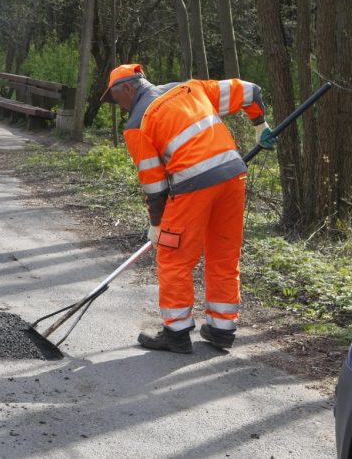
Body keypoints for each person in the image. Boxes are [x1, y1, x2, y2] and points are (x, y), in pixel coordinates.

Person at [100, 64, 277, 354]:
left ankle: (176, 333)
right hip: (233, 176)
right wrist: (260, 126)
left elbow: (155, 185)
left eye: (117, 99)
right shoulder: (190, 88)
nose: (119, 107)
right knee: (223, 252)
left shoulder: (138, 124)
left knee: (173, 257)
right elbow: (250, 92)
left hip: (194, 186)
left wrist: (157, 225)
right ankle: (222, 330)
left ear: (129, 89)